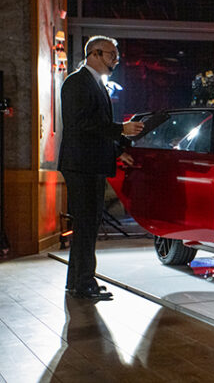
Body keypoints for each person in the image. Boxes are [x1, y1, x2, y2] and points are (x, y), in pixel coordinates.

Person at [58, 36, 144, 300]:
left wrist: (118, 151)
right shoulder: (77, 82)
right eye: (111, 55)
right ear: (93, 54)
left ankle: (77, 281)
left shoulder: (96, 83)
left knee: (87, 225)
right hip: (81, 164)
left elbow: (95, 127)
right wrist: (121, 129)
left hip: (89, 163)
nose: (116, 60)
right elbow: (80, 124)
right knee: (86, 225)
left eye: (116, 56)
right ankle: (84, 284)